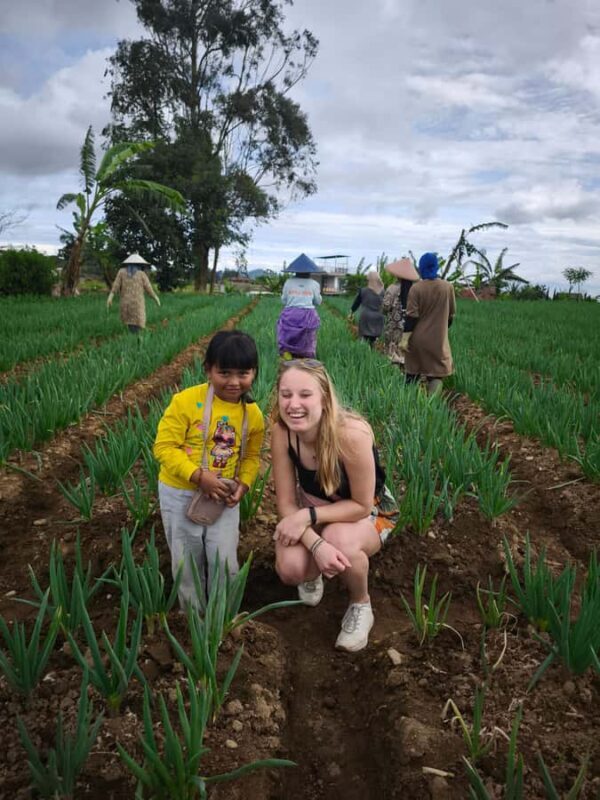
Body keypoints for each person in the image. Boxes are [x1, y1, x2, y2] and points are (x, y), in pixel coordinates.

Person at [271, 360, 398, 652]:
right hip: (311, 507)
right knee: (290, 568)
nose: (294, 404)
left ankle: (360, 604)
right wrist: (316, 545)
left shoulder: (351, 435)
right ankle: (315, 572)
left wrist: (309, 518)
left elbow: (362, 505)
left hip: (367, 511)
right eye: (286, 394)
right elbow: (287, 503)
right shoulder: (282, 432)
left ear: (325, 398)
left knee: (338, 539)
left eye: (305, 395)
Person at [153, 330, 264, 607]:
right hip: (180, 491)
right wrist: (199, 477)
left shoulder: (253, 415)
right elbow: (164, 448)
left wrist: (244, 484)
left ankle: (221, 619)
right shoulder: (186, 402)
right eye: (224, 373)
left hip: (223, 497)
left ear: (254, 373)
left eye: (243, 374)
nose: (234, 382)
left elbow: (251, 456)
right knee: (186, 561)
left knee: (224, 560)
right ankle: (193, 619)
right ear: (208, 370)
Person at [399, 252, 456, 394]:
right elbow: (450, 317)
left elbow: (411, 317)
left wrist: (404, 340)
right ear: (436, 267)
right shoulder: (447, 287)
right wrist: (441, 329)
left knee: (412, 373)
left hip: (418, 340)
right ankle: (430, 408)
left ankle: (408, 405)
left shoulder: (416, 288)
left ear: (421, 267)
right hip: (438, 340)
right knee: (436, 375)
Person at [277, 253, 322, 359]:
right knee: (307, 339)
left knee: (288, 336)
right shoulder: (314, 284)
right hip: (308, 315)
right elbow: (318, 301)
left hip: (290, 314)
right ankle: (305, 359)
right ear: (310, 272)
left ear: (295, 271)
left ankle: (287, 356)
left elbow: (284, 300)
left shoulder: (288, 282)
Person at [107, 253, 161, 333]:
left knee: (130, 323)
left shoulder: (121, 272)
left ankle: (132, 338)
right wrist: (156, 298)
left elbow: (116, 285)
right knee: (138, 324)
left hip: (125, 303)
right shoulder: (142, 274)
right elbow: (149, 289)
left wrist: (110, 297)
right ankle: (136, 340)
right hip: (137, 304)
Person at [382, 257, 420, 364]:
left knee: (392, 356)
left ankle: (393, 378)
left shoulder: (392, 288)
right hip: (410, 329)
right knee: (406, 356)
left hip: (393, 329)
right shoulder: (415, 289)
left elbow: (385, 307)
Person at [349, 270, 385, 346]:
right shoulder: (383, 292)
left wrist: (351, 312)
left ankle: (365, 354)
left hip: (366, 318)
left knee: (364, 340)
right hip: (378, 318)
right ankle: (371, 354)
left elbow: (356, 303)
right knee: (373, 340)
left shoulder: (363, 291)